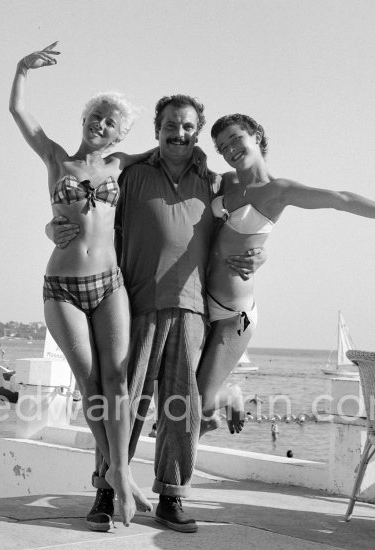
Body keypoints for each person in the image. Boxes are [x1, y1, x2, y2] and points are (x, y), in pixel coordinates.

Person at [49, 95, 265, 533]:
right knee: (124, 402)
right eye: (171, 124)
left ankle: (171, 496)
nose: (179, 133)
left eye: (188, 126)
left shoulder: (214, 182)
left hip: (190, 307)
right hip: (132, 301)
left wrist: (257, 257)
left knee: (181, 409)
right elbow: (88, 211)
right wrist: (52, 226)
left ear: (197, 132)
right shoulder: (130, 174)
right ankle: (107, 491)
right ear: (157, 129)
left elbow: (240, 235)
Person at [196, 112, 375, 437]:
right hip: (198, 301)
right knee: (182, 392)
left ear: (257, 136)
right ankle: (215, 408)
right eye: (222, 146)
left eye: (236, 138)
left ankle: (227, 397)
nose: (230, 149)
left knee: (199, 402)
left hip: (233, 314)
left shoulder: (279, 190)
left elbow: (341, 200)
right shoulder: (225, 182)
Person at [10, 42, 155, 529]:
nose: (101, 123)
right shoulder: (56, 160)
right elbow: (18, 111)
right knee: (89, 381)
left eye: (111, 121)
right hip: (63, 287)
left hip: (109, 283)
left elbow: (174, 150)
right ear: (85, 118)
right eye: (96, 115)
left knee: (116, 380)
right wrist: (21, 69)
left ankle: (117, 471)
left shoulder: (120, 165)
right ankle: (118, 471)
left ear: (119, 132)